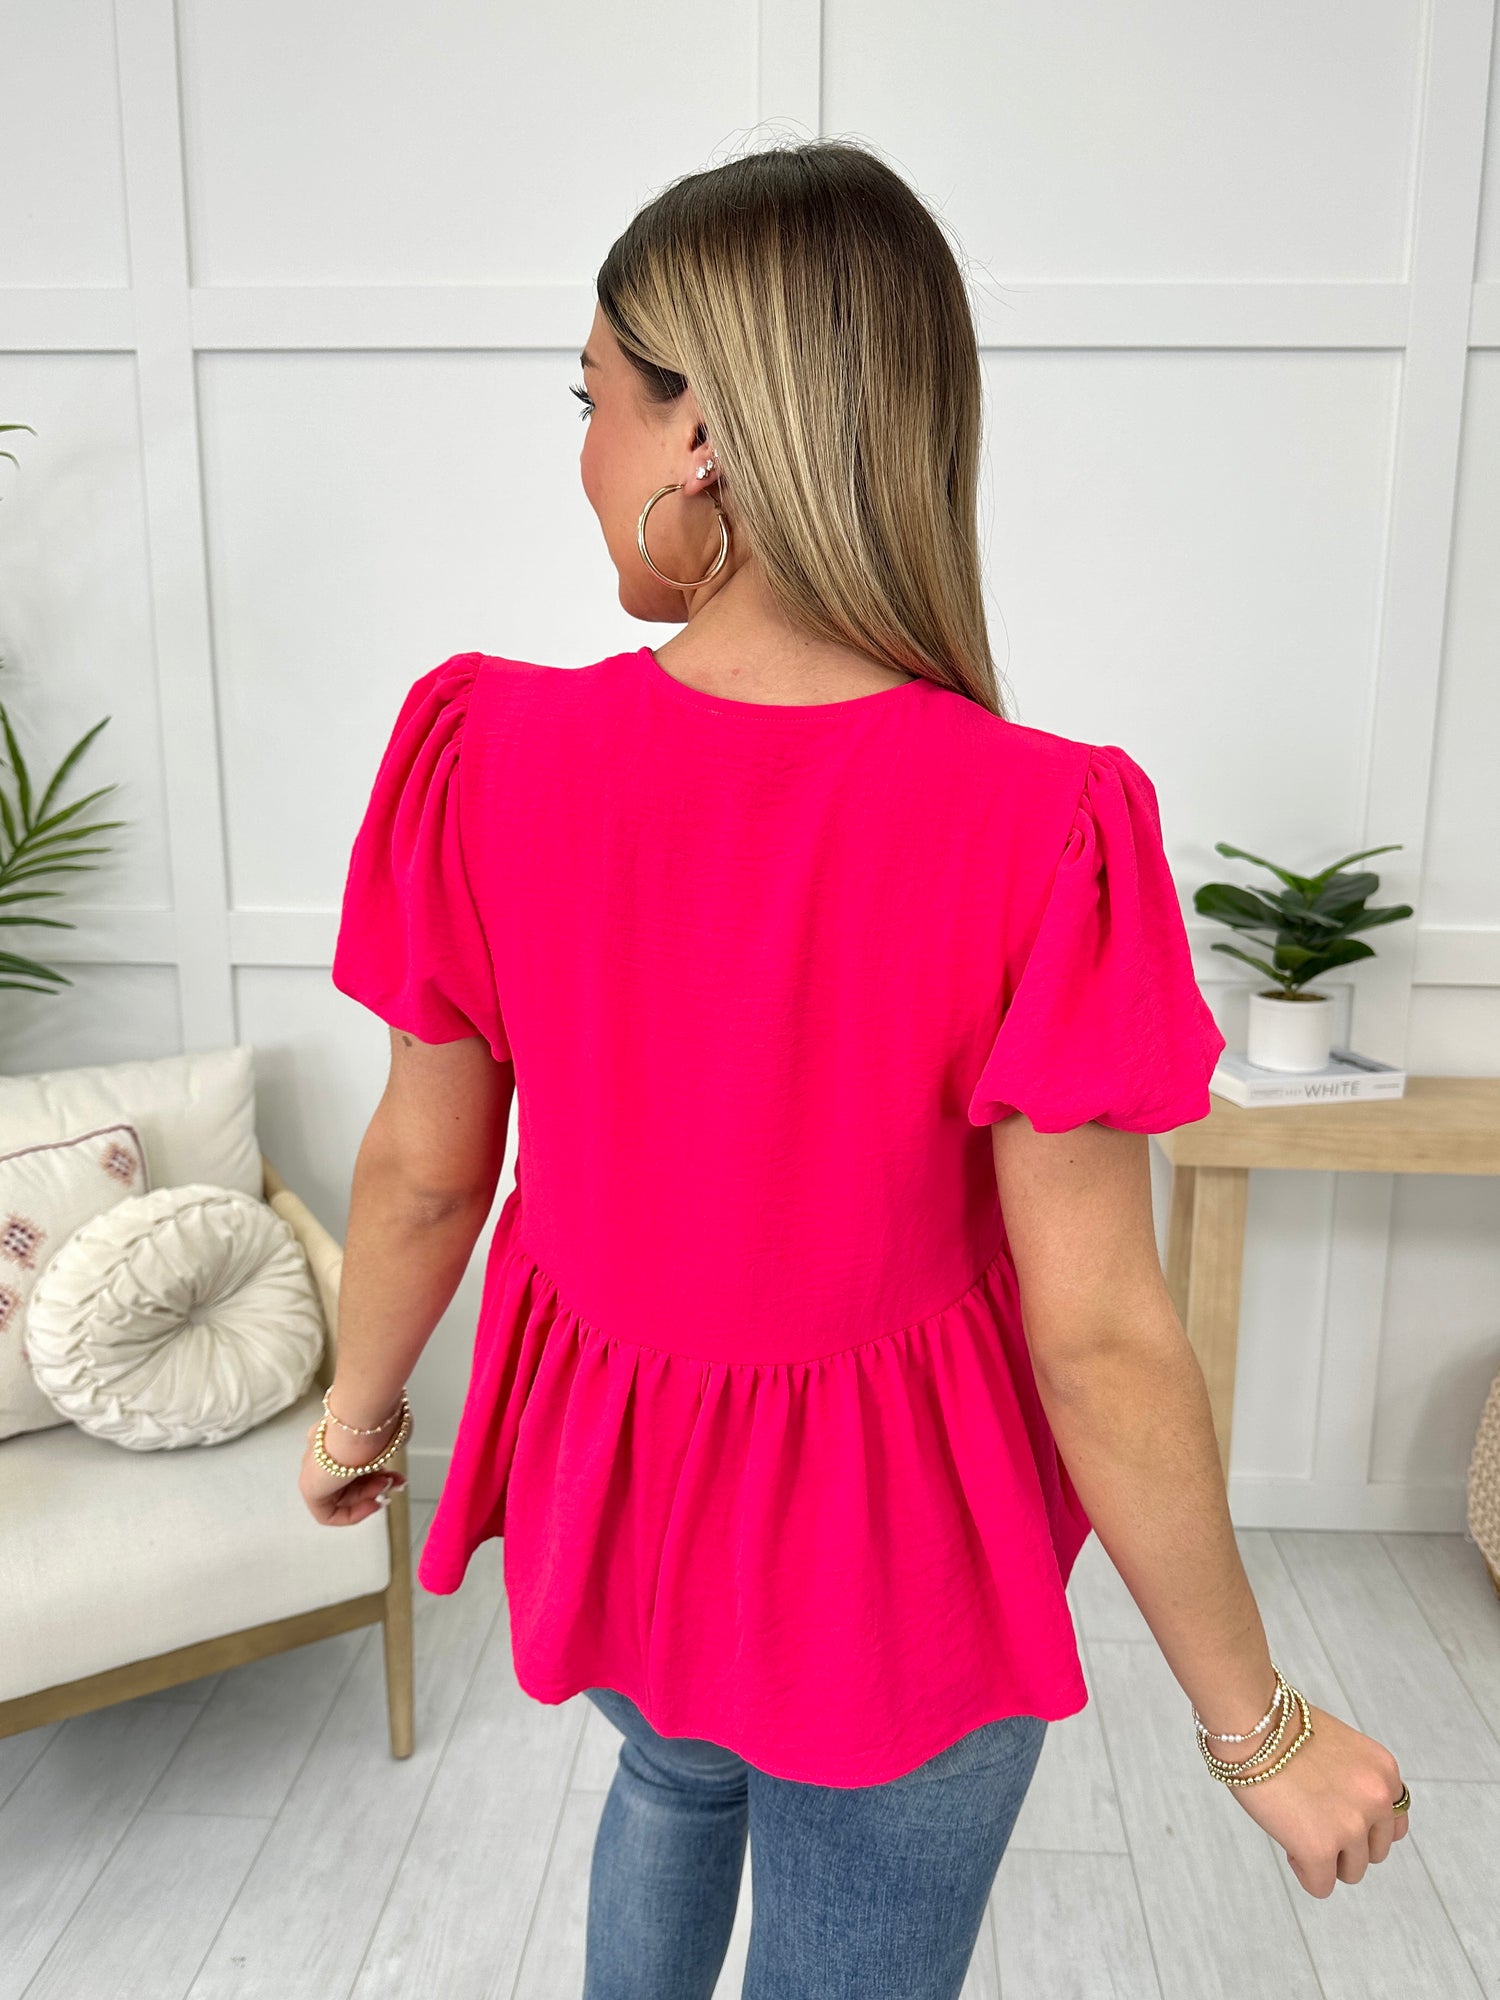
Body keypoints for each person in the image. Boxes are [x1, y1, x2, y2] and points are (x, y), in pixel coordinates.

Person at [300, 138, 1409, 1999]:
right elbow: (1097, 1332)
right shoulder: (1044, 823)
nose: (585, 453)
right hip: (897, 1579)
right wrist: (1261, 1728)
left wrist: (356, 1419)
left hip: (621, 1501)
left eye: (592, 401)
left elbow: (426, 1174)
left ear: (698, 438)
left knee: (669, 1775)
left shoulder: (487, 752)